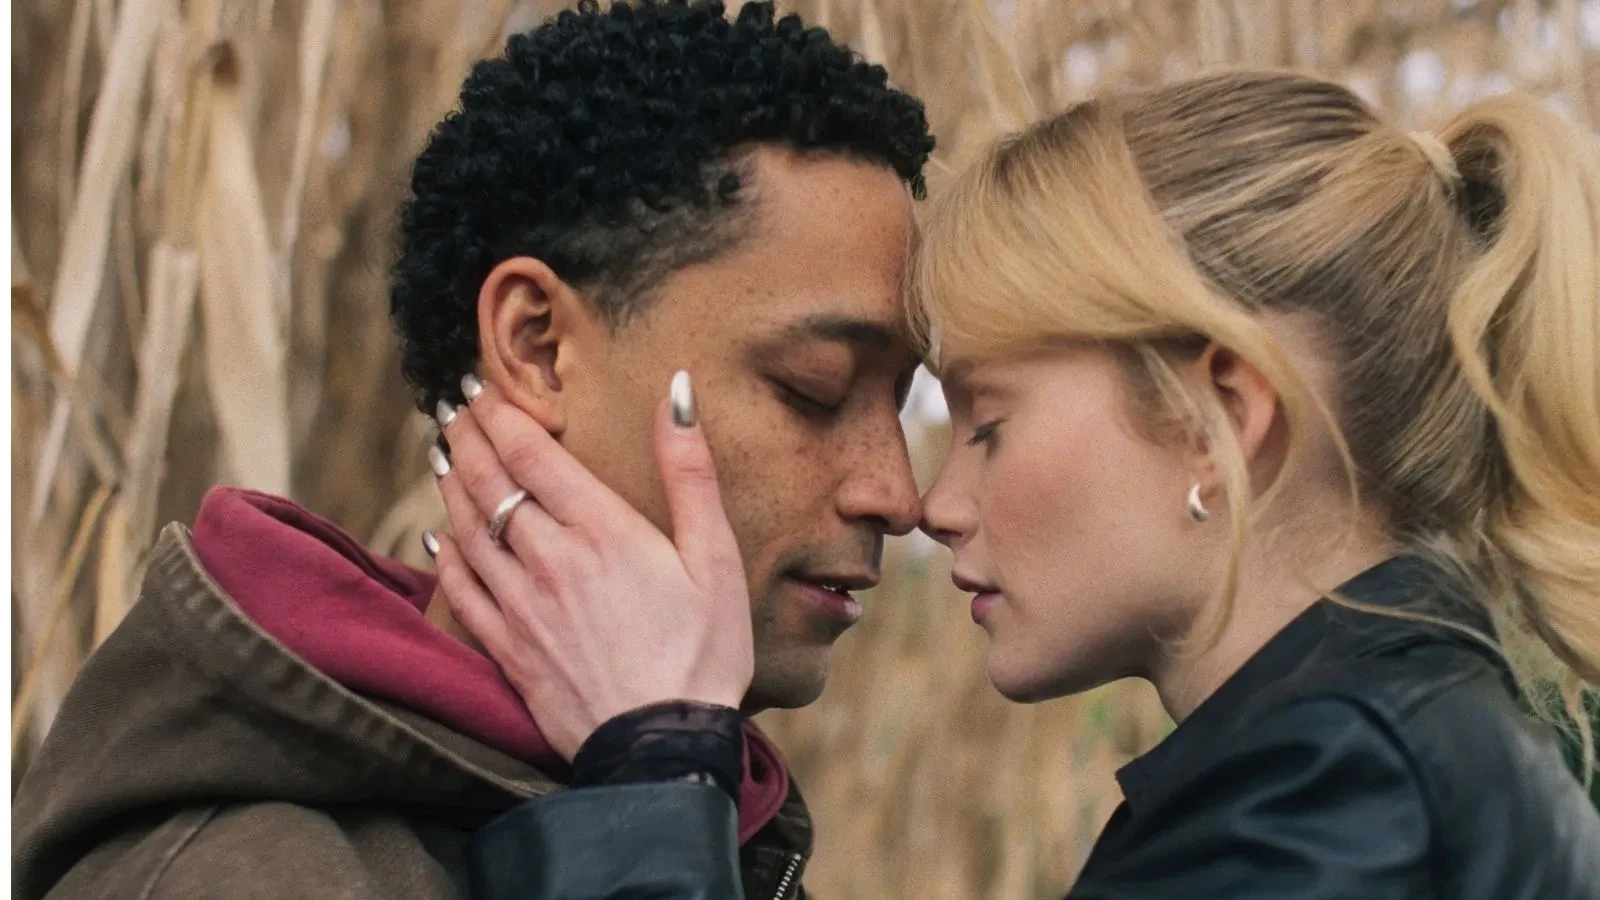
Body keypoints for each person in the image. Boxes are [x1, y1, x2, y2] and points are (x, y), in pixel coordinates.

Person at [428, 70, 1600, 897]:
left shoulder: (1337, 800)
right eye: (814, 390)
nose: (925, 501)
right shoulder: (1381, 762)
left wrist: (648, 776)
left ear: (1219, 421)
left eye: (983, 421)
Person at [10, 2, 933, 898]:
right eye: (811, 388)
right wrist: (656, 794)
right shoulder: (246, 875)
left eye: (905, 401)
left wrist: (663, 784)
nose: (897, 492)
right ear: (536, 345)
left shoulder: (713, 813)